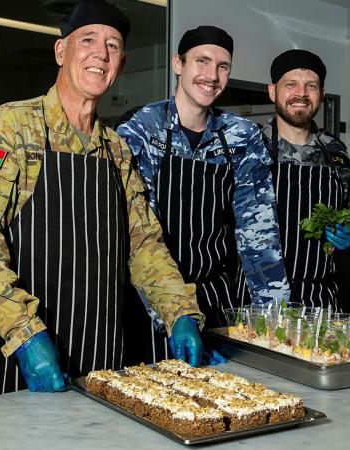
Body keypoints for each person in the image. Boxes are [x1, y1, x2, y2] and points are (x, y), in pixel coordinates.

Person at [0, 0, 204, 401]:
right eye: (87, 40)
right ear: (61, 52)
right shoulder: (14, 126)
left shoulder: (116, 149)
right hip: (19, 359)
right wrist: (24, 336)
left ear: (120, 65)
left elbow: (143, 245)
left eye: (112, 45)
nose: (100, 54)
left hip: (101, 355)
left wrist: (179, 312)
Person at [116, 26, 290, 365]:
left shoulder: (241, 137)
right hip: (151, 300)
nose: (212, 75)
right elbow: (134, 235)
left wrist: (275, 322)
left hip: (216, 298)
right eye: (202, 61)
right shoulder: (142, 130)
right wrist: (172, 315)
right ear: (178, 64)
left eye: (222, 66)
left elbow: (259, 236)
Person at [262, 49, 350, 312]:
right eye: (291, 84)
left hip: (322, 301)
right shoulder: (249, 146)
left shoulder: (335, 151)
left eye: (311, 86)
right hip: (260, 300)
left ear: (321, 94)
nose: (301, 94)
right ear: (273, 91)